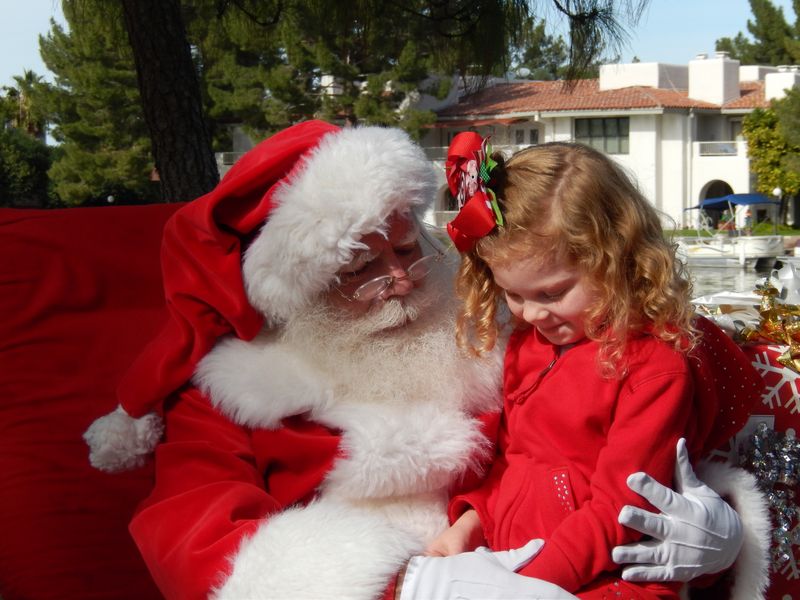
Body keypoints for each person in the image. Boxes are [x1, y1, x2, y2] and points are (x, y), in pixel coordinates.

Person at [83, 122, 768, 599]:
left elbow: (671, 352)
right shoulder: (233, 394)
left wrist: (715, 536)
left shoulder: (501, 317)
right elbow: (191, 537)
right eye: (361, 271)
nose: (404, 282)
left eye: (408, 250)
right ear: (299, 291)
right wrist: (407, 585)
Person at [398, 136, 769, 600]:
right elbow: (513, 460)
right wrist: (471, 525)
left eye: (552, 294)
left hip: (608, 577)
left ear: (617, 260)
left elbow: (622, 505)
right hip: (516, 560)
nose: (531, 314)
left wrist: (530, 585)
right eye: (514, 294)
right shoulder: (528, 344)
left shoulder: (653, 366)